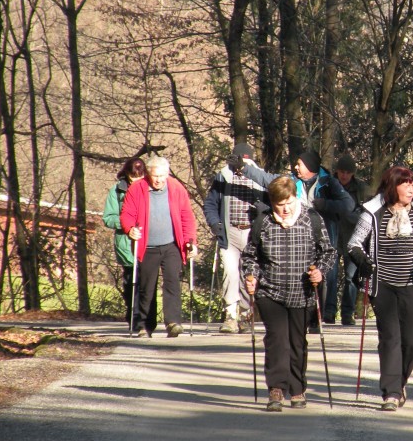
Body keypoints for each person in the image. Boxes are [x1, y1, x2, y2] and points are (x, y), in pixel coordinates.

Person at [348, 166, 413, 411]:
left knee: (411, 341)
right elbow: (354, 243)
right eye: (405, 184)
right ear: (393, 186)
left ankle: (399, 383)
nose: (411, 189)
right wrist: (362, 260)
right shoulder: (373, 211)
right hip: (384, 285)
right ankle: (390, 392)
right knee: (390, 338)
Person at [242, 176, 336, 412]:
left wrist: (320, 272)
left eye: (289, 203)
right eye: (279, 204)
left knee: (297, 342)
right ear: (272, 203)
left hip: (302, 294)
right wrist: (251, 276)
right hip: (270, 291)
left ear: (296, 198)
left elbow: (328, 253)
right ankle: (276, 388)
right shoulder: (263, 222)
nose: (285, 209)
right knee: (276, 340)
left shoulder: (312, 219)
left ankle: (297, 388)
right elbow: (250, 256)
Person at [241, 149, 353, 329]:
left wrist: (324, 204)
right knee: (300, 272)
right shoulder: (291, 180)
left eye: (299, 164)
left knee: (323, 273)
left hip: (322, 232)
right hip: (295, 234)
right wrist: (244, 168)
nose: (296, 167)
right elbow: (266, 178)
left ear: (309, 166)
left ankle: (323, 313)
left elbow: (348, 204)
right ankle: (308, 316)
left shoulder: (328, 182)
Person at [120, 156, 199, 338]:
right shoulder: (137, 189)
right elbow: (127, 214)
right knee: (147, 287)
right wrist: (130, 229)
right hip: (147, 246)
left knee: (172, 282)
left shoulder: (176, 188)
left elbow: (187, 216)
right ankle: (144, 325)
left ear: (168, 174)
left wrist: (190, 241)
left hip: (172, 244)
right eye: (156, 176)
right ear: (148, 174)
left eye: (162, 176)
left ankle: (173, 322)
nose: (159, 180)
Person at [203, 142, 265, 333]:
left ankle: (246, 315)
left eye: (245, 160)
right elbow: (210, 204)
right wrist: (215, 223)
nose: (241, 164)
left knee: (249, 274)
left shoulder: (258, 177)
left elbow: (271, 202)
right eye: (239, 160)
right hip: (229, 233)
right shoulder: (223, 176)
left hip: (251, 233)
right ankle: (230, 315)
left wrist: (262, 212)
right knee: (230, 273)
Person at [102, 157, 156, 330]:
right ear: (126, 175)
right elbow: (108, 218)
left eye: (139, 179)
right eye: (133, 179)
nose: (136, 184)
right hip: (126, 244)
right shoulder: (117, 191)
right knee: (131, 283)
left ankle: (149, 320)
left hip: (149, 243)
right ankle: (134, 318)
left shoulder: (152, 189)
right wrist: (126, 224)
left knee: (148, 283)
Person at [328, 154, 369, 326]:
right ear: (336, 171)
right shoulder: (328, 186)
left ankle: (348, 312)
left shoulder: (361, 189)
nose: (344, 176)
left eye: (348, 172)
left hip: (353, 239)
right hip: (332, 237)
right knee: (331, 276)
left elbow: (366, 215)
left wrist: (351, 215)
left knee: (351, 278)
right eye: (341, 172)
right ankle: (328, 312)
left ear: (353, 173)